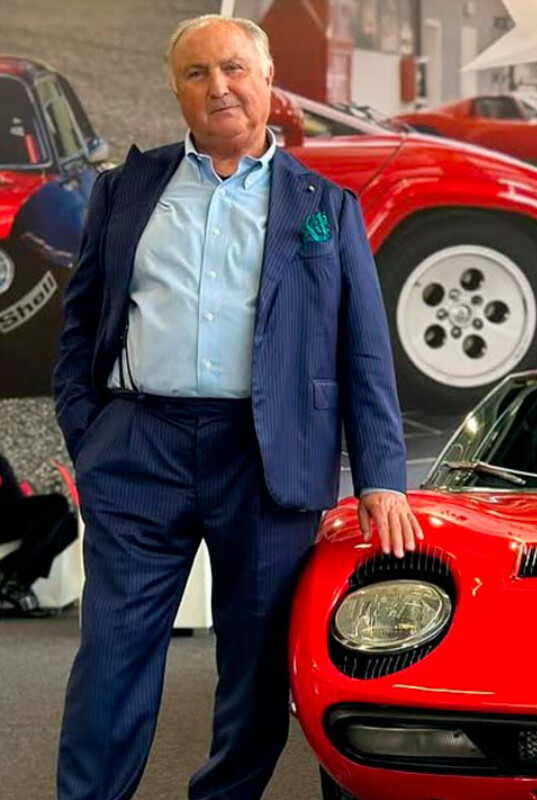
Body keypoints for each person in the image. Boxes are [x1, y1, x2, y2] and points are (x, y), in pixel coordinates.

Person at [52, 14, 423, 800]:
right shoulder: (125, 190)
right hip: (138, 450)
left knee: (255, 673)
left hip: (267, 459)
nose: (217, 86)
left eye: (232, 69)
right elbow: (81, 324)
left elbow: (364, 353)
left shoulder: (327, 206)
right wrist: (92, 438)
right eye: (196, 73)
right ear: (176, 90)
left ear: (266, 81)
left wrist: (382, 479)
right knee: (112, 658)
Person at [0, 448, 77, 617]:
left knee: (69, 523)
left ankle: (13, 578)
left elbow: (14, 499)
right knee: (56, 506)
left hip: (8, 514)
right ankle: (16, 581)